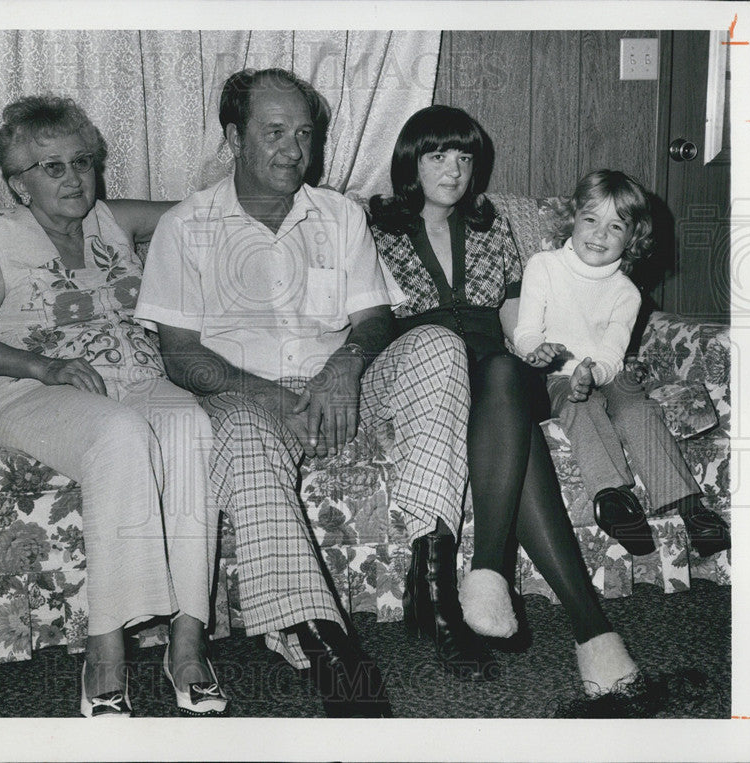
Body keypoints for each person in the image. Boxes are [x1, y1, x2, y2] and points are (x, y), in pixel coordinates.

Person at [135, 69, 492, 717]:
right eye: (273, 133)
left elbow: (375, 318)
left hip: (339, 388)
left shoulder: (339, 215)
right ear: (234, 136)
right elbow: (180, 354)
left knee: (440, 342)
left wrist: (346, 367)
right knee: (242, 431)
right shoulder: (187, 227)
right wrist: (265, 396)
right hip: (242, 395)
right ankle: (321, 637)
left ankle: (434, 586)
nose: (292, 150)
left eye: (303, 133)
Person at [0, 95, 228, 718]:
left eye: (82, 162)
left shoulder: (113, 220)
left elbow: (206, 214)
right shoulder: (1, 240)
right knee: (122, 434)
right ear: (20, 184)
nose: (73, 178)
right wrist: (42, 365)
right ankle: (106, 652)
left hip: (136, 376)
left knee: (190, 425)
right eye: (52, 167)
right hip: (38, 392)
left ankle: (188, 642)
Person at [368, 106, 660, 708]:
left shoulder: (490, 224)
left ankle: (488, 572)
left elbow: (511, 313)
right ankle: (592, 631)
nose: (454, 169)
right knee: (513, 431)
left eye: (465, 157)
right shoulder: (375, 225)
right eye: (437, 155)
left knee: (504, 372)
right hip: (429, 370)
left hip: (498, 368)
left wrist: (536, 350)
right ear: (411, 162)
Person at [514, 169, 731, 558]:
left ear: (632, 237)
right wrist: (538, 352)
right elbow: (527, 330)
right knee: (582, 403)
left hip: (608, 371)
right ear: (573, 217)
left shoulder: (626, 292)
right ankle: (613, 498)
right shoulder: (543, 266)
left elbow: (613, 355)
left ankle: (691, 509)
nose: (599, 235)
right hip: (557, 374)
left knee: (636, 406)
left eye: (615, 227)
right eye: (591, 220)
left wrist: (593, 372)